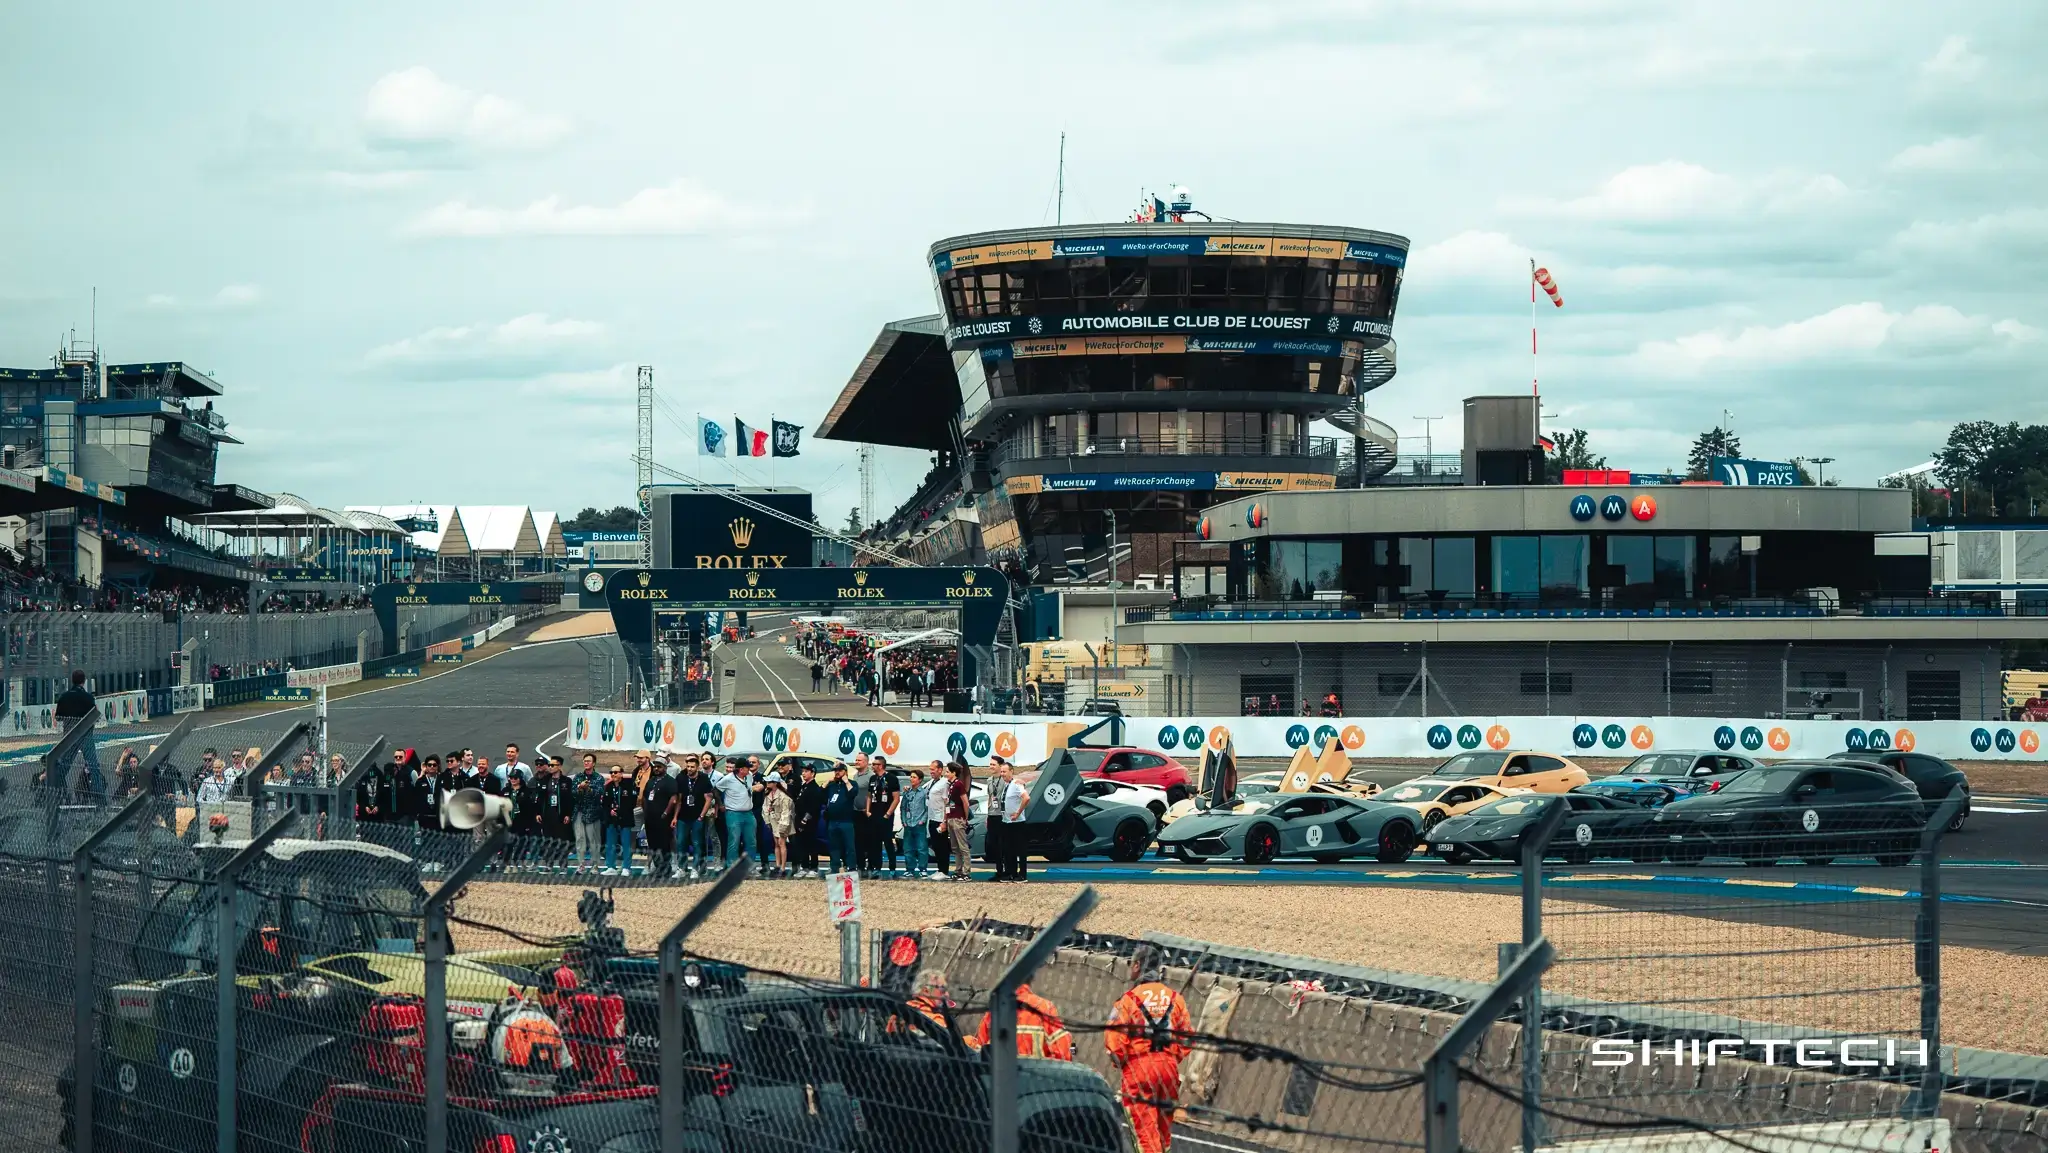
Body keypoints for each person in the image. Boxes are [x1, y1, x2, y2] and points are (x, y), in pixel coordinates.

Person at [1106, 947, 1194, 1153]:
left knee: (1145, 1134)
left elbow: (1115, 1043)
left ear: (1137, 966)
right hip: (1168, 1068)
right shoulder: (1175, 998)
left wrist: (1123, 1063)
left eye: (1132, 964)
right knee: (1163, 1133)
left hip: (1139, 1069)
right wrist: (1171, 1057)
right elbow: (1187, 1037)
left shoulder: (1127, 1000)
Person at [975, 982, 1073, 1059]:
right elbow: (1063, 1053)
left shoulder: (995, 1010)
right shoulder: (1044, 1007)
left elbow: (979, 1049)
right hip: (1034, 1079)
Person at [52, 670, 103, 801]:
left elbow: (58, 717)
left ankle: (57, 795)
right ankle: (100, 798)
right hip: (85, 735)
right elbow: (94, 716)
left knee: (63, 767)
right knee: (93, 767)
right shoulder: (88, 697)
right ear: (84, 681)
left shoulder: (64, 697)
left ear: (72, 680)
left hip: (69, 736)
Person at [708, 758, 755, 871]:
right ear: (740, 769)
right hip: (734, 813)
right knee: (734, 840)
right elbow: (715, 790)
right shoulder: (728, 779)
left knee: (751, 841)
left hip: (748, 812)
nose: (750, 769)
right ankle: (731, 866)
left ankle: (750, 866)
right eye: (747, 767)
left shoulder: (749, 776)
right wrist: (721, 804)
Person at [531, 756, 575, 871]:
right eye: (549, 765)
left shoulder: (567, 781)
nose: (550, 767)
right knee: (548, 840)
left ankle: (563, 864)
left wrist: (568, 814)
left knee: (562, 840)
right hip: (548, 813)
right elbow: (539, 798)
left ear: (559, 766)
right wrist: (537, 813)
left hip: (561, 814)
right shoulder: (545, 780)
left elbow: (570, 800)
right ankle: (548, 864)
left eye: (552, 765)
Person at [641, 756, 679, 879]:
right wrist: (645, 811)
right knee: (653, 843)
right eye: (655, 766)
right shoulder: (651, 780)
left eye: (659, 767)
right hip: (650, 817)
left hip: (663, 818)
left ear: (665, 768)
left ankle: (665, 868)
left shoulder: (670, 781)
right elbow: (646, 796)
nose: (656, 769)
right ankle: (658, 867)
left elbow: (673, 799)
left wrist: (666, 813)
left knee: (664, 843)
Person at [676, 754, 713, 879]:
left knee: (697, 843)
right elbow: (679, 799)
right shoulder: (681, 778)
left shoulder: (703, 778)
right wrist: (675, 817)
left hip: (697, 816)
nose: (689, 769)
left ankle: (696, 868)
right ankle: (681, 868)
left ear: (697, 767)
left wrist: (702, 815)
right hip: (683, 816)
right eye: (688, 766)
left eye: (692, 767)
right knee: (681, 842)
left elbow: (708, 799)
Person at [821, 762, 859, 875]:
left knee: (849, 846)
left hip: (846, 821)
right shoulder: (832, 786)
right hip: (833, 821)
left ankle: (851, 867)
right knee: (834, 846)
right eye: (835, 771)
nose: (837, 773)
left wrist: (846, 781)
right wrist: (828, 782)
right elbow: (820, 794)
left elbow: (853, 793)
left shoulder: (852, 783)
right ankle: (834, 867)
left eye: (839, 770)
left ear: (845, 771)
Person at [599, 764, 637, 875]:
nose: (613, 774)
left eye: (616, 772)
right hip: (611, 819)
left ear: (621, 773)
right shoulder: (608, 786)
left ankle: (626, 867)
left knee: (626, 844)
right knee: (610, 843)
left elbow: (632, 803)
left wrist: (619, 811)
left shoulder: (629, 785)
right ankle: (610, 866)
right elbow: (604, 803)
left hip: (625, 819)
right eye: (611, 772)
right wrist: (610, 811)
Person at [571, 754, 606, 871]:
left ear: (594, 763)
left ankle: (595, 865)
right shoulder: (578, 777)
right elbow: (573, 794)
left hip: (593, 812)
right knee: (580, 838)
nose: (586, 763)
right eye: (585, 761)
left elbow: (598, 794)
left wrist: (588, 789)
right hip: (580, 811)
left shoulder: (599, 778)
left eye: (589, 761)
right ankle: (581, 864)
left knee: (594, 839)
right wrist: (580, 788)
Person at [867, 755, 901, 875]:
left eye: (874, 764)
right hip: (874, 814)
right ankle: (877, 867)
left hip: (886, 815)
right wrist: (868, 810)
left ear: (880, 765)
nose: (872, 766)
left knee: (887, 842)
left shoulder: (891, 778)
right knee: (874, 842)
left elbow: (896, 798)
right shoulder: (872, 779)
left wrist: (888, 814)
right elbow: (869, 795)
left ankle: (892, 868)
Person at [791, 763, 824, 877]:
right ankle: (804, 866)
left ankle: (814, 867)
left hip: (810, 821)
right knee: (802, 843)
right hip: (799, 818)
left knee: (811, 844)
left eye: (806, 771)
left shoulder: (815, 788)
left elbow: (814, 807)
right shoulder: (803, 786)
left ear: (813, 773)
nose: (803, 773)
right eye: (803, 771)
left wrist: (804, 820)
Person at [1001, 759, 1031, 882]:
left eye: (1005, 771)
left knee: (1020, 849)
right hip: (1006, 822)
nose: (1002, 774)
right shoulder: (1006, 785)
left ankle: (1022, 874)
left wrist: (1018, 813)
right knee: (1008, 849)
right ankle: (1011, 873)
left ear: (1011, 771)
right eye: (1001, 771)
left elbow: (1026, 798)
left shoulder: (1016, 784)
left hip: (1017, 823)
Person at [900, 766, 931, 878]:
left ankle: (923, 869)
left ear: (920, 780)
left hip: (919, 824)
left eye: (914, 777)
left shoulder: (924, 793)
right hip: (908, 823)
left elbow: (927, 808)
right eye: (911, 777)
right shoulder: (907, 792)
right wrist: (903, 820)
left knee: (921, 847)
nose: (911, 779)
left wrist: (922, 821)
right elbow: (903, 807)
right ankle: (910, 869)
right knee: (908, 848)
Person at [983, 760, 1011, 882]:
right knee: (992, 844)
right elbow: (990, 797)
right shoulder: (989, 780)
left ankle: (1008, 871)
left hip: (1002, 815)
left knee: (1003, 844)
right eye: (990, 764)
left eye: (994, 764)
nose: (991, 767)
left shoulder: (1005, 780)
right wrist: (987, 814)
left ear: (1000, 766)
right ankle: (999, 871)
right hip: (992, 815)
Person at [945, 762, 973, 881]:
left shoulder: (959, 785)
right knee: (955, 847)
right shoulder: (950, 785)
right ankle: (958, 870)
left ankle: (966, 872)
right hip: (951, 817)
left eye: (947, 771)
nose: (945, 773)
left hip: (958, 818)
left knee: (963, 847)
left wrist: (965, 818)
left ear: (953, 773)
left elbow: (965, 802)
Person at [763, 772, 795, 878]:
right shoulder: (768, 795)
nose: (767, 783)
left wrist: (782, 827)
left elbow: (786, 812)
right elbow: (765, 808)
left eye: (770, 781)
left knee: (782, 844)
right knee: (776, 843)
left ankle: (783, 867)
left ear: (775, 783)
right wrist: (767, 821)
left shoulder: (783, 796)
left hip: (782, 822)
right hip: (773, 822)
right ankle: (777, 865)